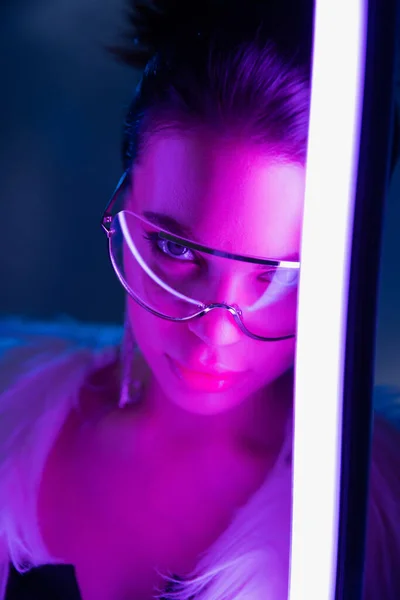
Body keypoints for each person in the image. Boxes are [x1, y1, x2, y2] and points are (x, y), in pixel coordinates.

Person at [1, 0, 400, 599]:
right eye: (175, 249)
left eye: (275, 277)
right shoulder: (10, 405)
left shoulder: (373, 517)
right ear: (123, 204)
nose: (214, 333)